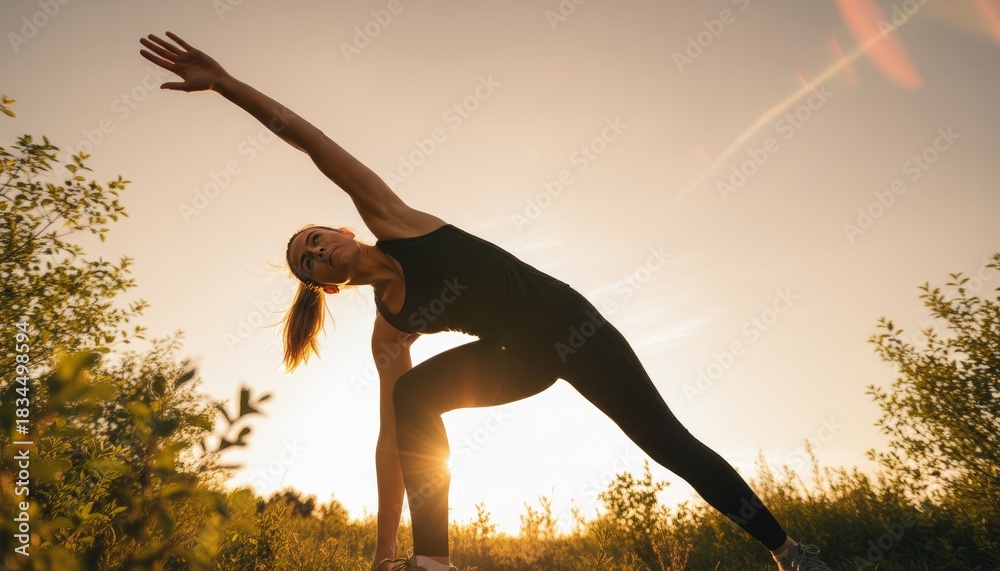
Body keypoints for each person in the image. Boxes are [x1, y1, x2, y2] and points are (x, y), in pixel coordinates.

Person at [139, 31, 834, 571]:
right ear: (325, 285)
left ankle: (786, 548)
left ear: (343, 229)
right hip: (517, 359)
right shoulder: (388, 328)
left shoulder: (394, 218)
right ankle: (433, 557)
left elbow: (312, 141)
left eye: (317, 239)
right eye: (309, 262)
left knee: (667, 442)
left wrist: (227, 84)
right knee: (411, 400)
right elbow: (394, 444)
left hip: (573, 324)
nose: (318, 252)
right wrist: (387, 548)